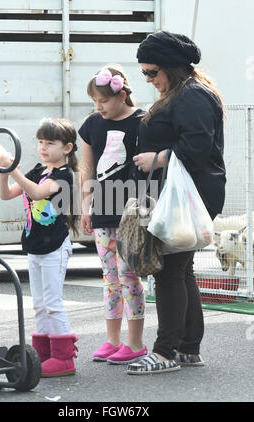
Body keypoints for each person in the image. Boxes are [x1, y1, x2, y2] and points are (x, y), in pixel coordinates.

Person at [127, 31, 226, 375]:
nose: (149, 79)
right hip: (186, 194)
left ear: (171, 67)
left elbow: (198, 146)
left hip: (188, 195)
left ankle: (166, 351)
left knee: (170, 271)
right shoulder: (186, 93)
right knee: (182, 270)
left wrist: (157, 157)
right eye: (144, 74)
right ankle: (187, 349)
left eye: (152, 72)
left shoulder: (192, 96)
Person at [0, 118, 79, 377]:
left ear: (67, 148)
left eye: (50, 143)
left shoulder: (63, 176)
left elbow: (36, 193)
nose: (43, 147)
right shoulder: (37, 170)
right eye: (41, 142)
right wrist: (4, 173)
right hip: (35, 245)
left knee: (53, 303)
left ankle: (64, 358)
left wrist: (13, 171)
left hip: (54, 246)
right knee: (39, 303)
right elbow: (7, 194)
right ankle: (43, 354)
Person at [79, 64, 148, 364]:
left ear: (121, 95)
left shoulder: (143, 121)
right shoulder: (91, 124)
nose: (99, 107)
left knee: (129, 275)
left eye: (103, 101)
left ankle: (135, 344)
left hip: (132, 212)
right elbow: (87, 169)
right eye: (95, 102)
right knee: (109, 278)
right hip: (102, 211)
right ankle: (112, 340)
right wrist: (84, 207)